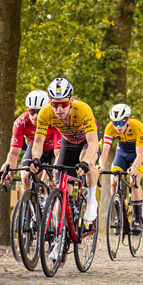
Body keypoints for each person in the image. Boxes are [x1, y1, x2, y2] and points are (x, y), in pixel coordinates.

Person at [31, 78, 100, 259]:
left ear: (70, 100)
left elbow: (93, 143)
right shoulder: (46, 113)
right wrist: (36, 159)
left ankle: (92, 200)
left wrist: (86, 163)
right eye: (55, 104)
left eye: (62, 104)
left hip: (87, 141)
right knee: (60, 193)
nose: (59, 109)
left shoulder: (83, 109)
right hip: (68, 143)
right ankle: (59, 241)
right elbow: (37, 142)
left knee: (86, 160)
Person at [0, 90, 61, 191]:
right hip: (35, 148)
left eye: (39, 111)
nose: (35, 116)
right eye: (32, 111)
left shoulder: (55, 121)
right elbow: (13, 154)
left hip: (55, 151)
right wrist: (10, 174)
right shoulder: (21, 123)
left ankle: (51, 202)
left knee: (54, 183)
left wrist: (54, 171)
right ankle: (28, 204)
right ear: (27, 109)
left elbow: (58, 154)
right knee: (26, 177)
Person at [98, 104, 143, 235]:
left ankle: (138, 220)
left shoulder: (138, 126)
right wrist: (101, 166)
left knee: (134, 180)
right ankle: (118, 215)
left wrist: (134, 167)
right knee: (113, 180)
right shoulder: (110, 128)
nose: (118, 127)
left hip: (139, 153)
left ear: (128, 120)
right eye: (115, 123)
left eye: (121, 123)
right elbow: (105, 151)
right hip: (122, 154)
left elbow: (141, 155)